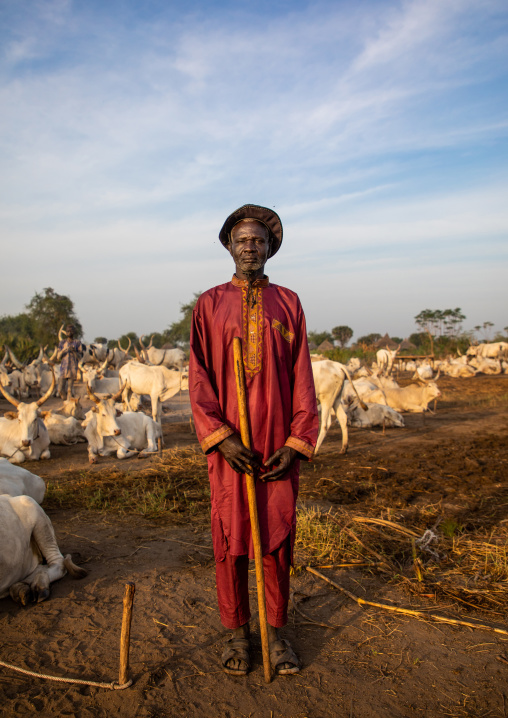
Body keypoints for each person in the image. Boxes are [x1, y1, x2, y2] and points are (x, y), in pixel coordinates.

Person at [189, 204, 318, 677]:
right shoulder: (209, 304)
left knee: (276, 539)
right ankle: (238, 632)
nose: (250, 247)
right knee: (231, 539)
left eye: (259, 240)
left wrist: (298, 441)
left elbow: (302, 377)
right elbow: (198, 379)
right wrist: (220, 438)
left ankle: (276, 632)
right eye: (242, 239)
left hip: (277, 446)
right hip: (231, 449)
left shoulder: (289, 303)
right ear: (229, 245)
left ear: (270, 248)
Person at [57, 324, 86, 399]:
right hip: (63, 369)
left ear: (74, 332)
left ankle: (68, 404)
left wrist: (74, 351)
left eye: (71, 331)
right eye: (67, 331)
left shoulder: (77, 343)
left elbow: (80, 357)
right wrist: (64, 350)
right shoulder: (62, 343)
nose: (69, 332)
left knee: (69, 390)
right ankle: (64, 401)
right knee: (60, 389)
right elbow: (58, 357)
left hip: (72, 369)